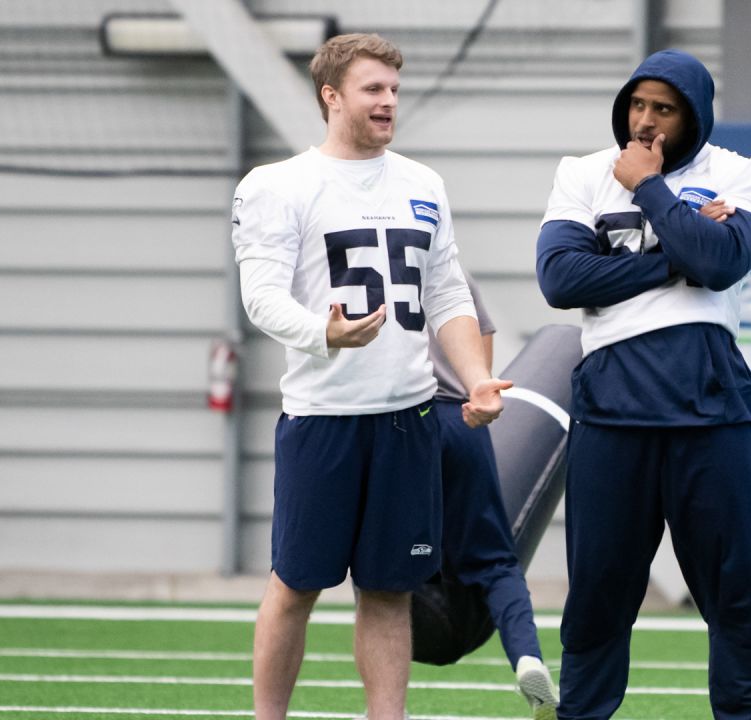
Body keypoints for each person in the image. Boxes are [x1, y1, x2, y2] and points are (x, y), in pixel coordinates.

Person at [232, 33, 511, 720]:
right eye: (372, 90)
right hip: (324, 418)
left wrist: (475, 377)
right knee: (295, 585)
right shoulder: (278, 185)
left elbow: (448, 297)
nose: (388, 103)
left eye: (392, 89)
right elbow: (261, 296)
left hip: (409, 419)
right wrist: (321, 332)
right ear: (331, 96)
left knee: (390, 589)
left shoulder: (423, 184)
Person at [534, 49, 751, 719]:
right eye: (637, 106)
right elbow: (561, 280)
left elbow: (722, 264)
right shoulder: (582, 173)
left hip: (711, 415)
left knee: (737, 599)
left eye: (663, 110)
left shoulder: (742, 171)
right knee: (597, 598)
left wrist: (649, 188)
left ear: (692, 116)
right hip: (612, 416)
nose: (644, 124)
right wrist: (677, 259)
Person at [426, 271, 560, 719]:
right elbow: (480, 362)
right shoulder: (452, 273)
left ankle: (384, 704)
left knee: (384, 567)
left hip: (401, 426)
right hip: (460, 419)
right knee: (496, 560)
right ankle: (527, 658)